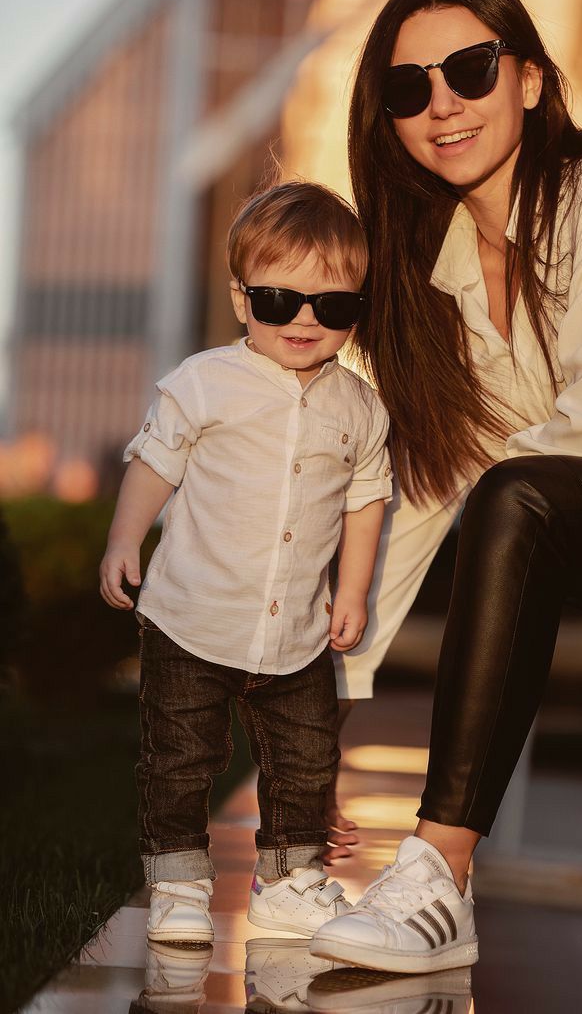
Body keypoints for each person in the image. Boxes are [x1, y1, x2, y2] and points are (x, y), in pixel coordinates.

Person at [311, 0, 582, 1010]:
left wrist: (494, 498)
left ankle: (437, 868)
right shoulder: (442, 273)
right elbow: (416, 500)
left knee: (522, 495)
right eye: (410, 89)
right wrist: (321, 715)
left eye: (469, 69)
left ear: (531, 80)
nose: (442, 102)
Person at [99, 181, 393, 945]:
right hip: (191, 618)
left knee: (306, 759)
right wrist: (124, 538)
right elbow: (152, 464)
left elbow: (367, 499)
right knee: (180, 759)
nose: (305, 320)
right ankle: (179, 882)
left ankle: (290, 881)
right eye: (278, 299)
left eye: (332, 306)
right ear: (240, 299)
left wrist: (352, 589)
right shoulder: (204, 382)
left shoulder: (359, 407)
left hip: (295, 631)